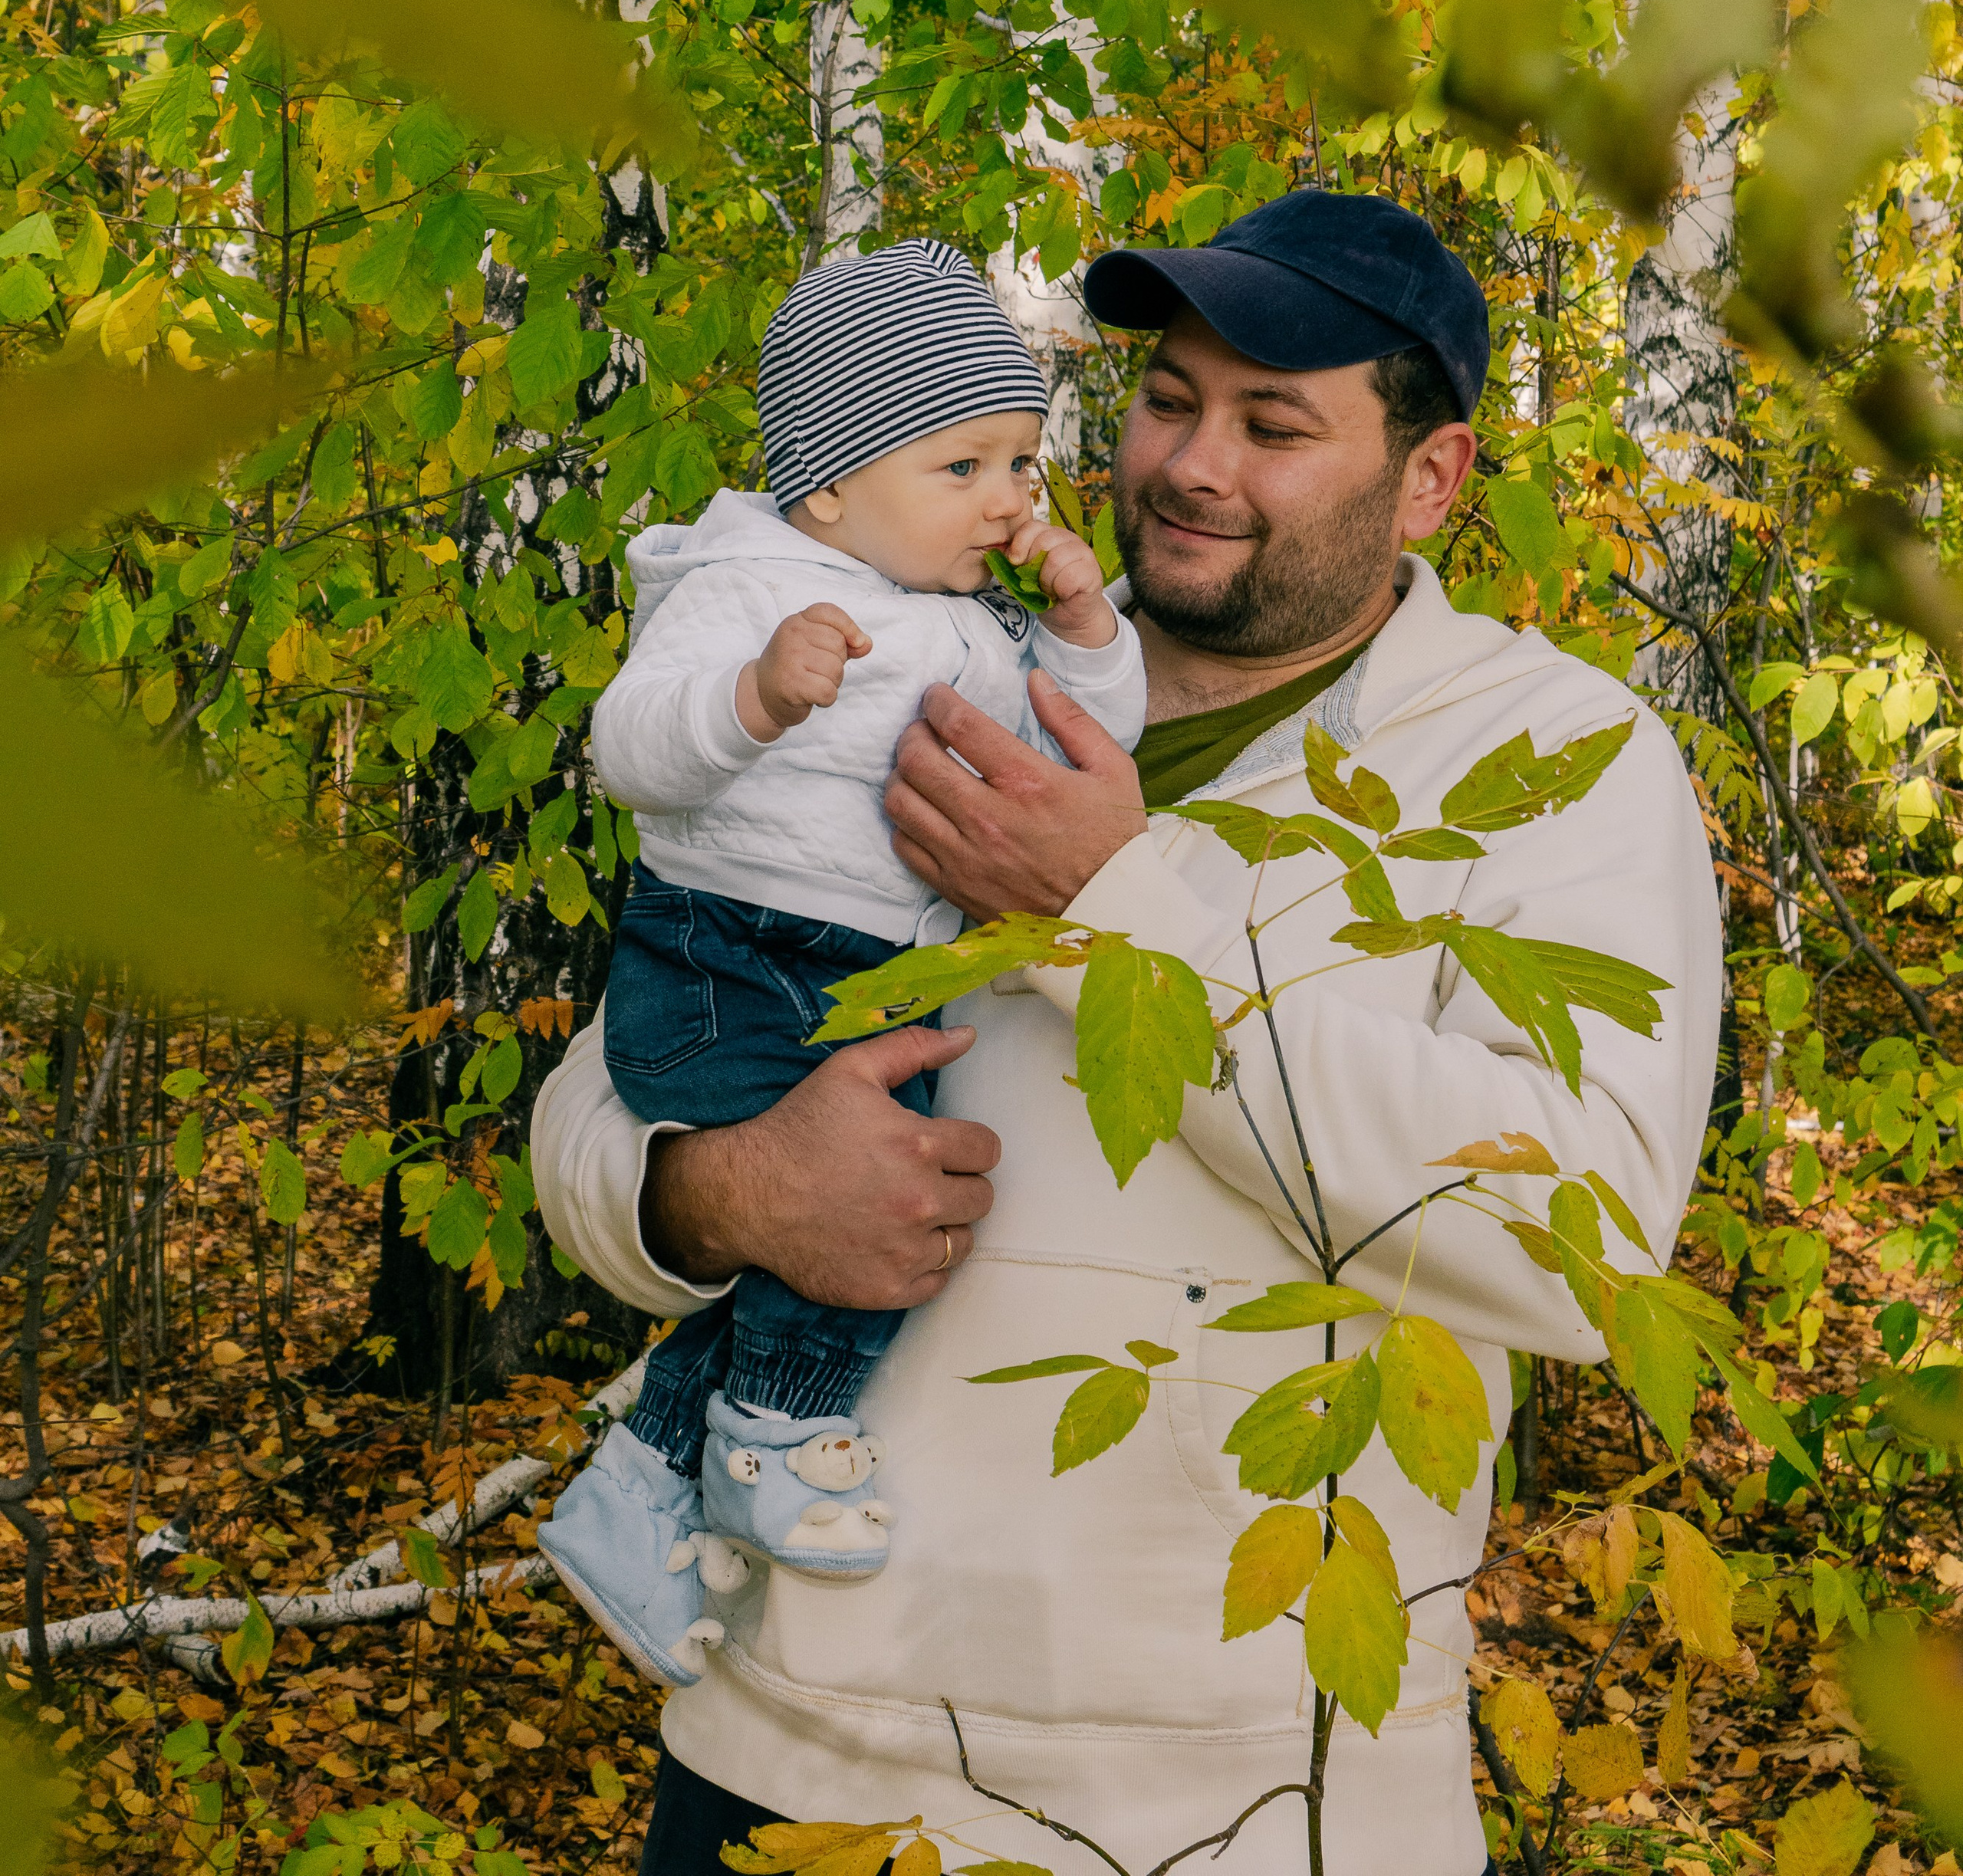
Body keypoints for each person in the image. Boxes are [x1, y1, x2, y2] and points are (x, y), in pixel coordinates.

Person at [531, 189, 1721, 1876]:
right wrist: (721, 1195)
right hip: (786, 1753)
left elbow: (1577, 1241)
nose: (1188, 464)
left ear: (1431, 475)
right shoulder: (927, 666)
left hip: (1244, 1803)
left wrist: (1108, 920)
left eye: (1274, 424)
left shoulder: (1555, 761)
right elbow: (602, 1102)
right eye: (1167, 398)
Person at [536, 238, 1147, 1689]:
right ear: (828, 488)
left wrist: (1082, 627)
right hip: (734, 953)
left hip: (864, 966)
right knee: (868, 1196)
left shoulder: (967, 609)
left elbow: (1095, 733)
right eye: (966, 468)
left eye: (1022, 463)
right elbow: (629, 745)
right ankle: (777, 1433)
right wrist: (751, 700)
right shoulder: (751, 583)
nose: (1010, 499)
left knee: (866, 1189)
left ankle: (645, 1487)